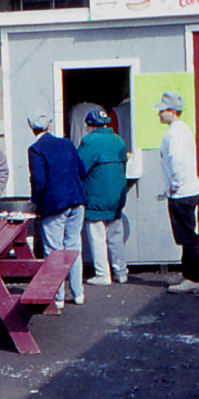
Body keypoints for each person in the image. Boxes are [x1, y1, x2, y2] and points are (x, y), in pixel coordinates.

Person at [26, 112, 87, 309]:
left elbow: (38, 180)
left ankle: (58, 296)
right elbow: (82, 169)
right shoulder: (67, 144)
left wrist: (35, 201)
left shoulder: (35, 149)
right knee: (73, 245)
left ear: (31, 128)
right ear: (50, 125)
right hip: (76, 200)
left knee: (54, 251)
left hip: (53, 204)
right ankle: (78, 293)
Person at [156, 92, 199, 294]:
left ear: (173, 112)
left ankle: (193, 279)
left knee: (187, 236)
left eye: (162, 110)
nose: (159, 113)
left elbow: (176, 159)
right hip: (188, 189)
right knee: (188, 235)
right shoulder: (180, 129)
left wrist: (175, 184)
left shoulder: (175, 132)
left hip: (182, 192)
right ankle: (189, 275)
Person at [77, 107, 129, 285]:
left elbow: (80, 167)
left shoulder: (89, 141)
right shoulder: (118, 140)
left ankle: (103, 274)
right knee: (116, 235)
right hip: (117, 196)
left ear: (91, 126)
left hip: (96, 196)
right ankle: (121, 272)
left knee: (98, 236)